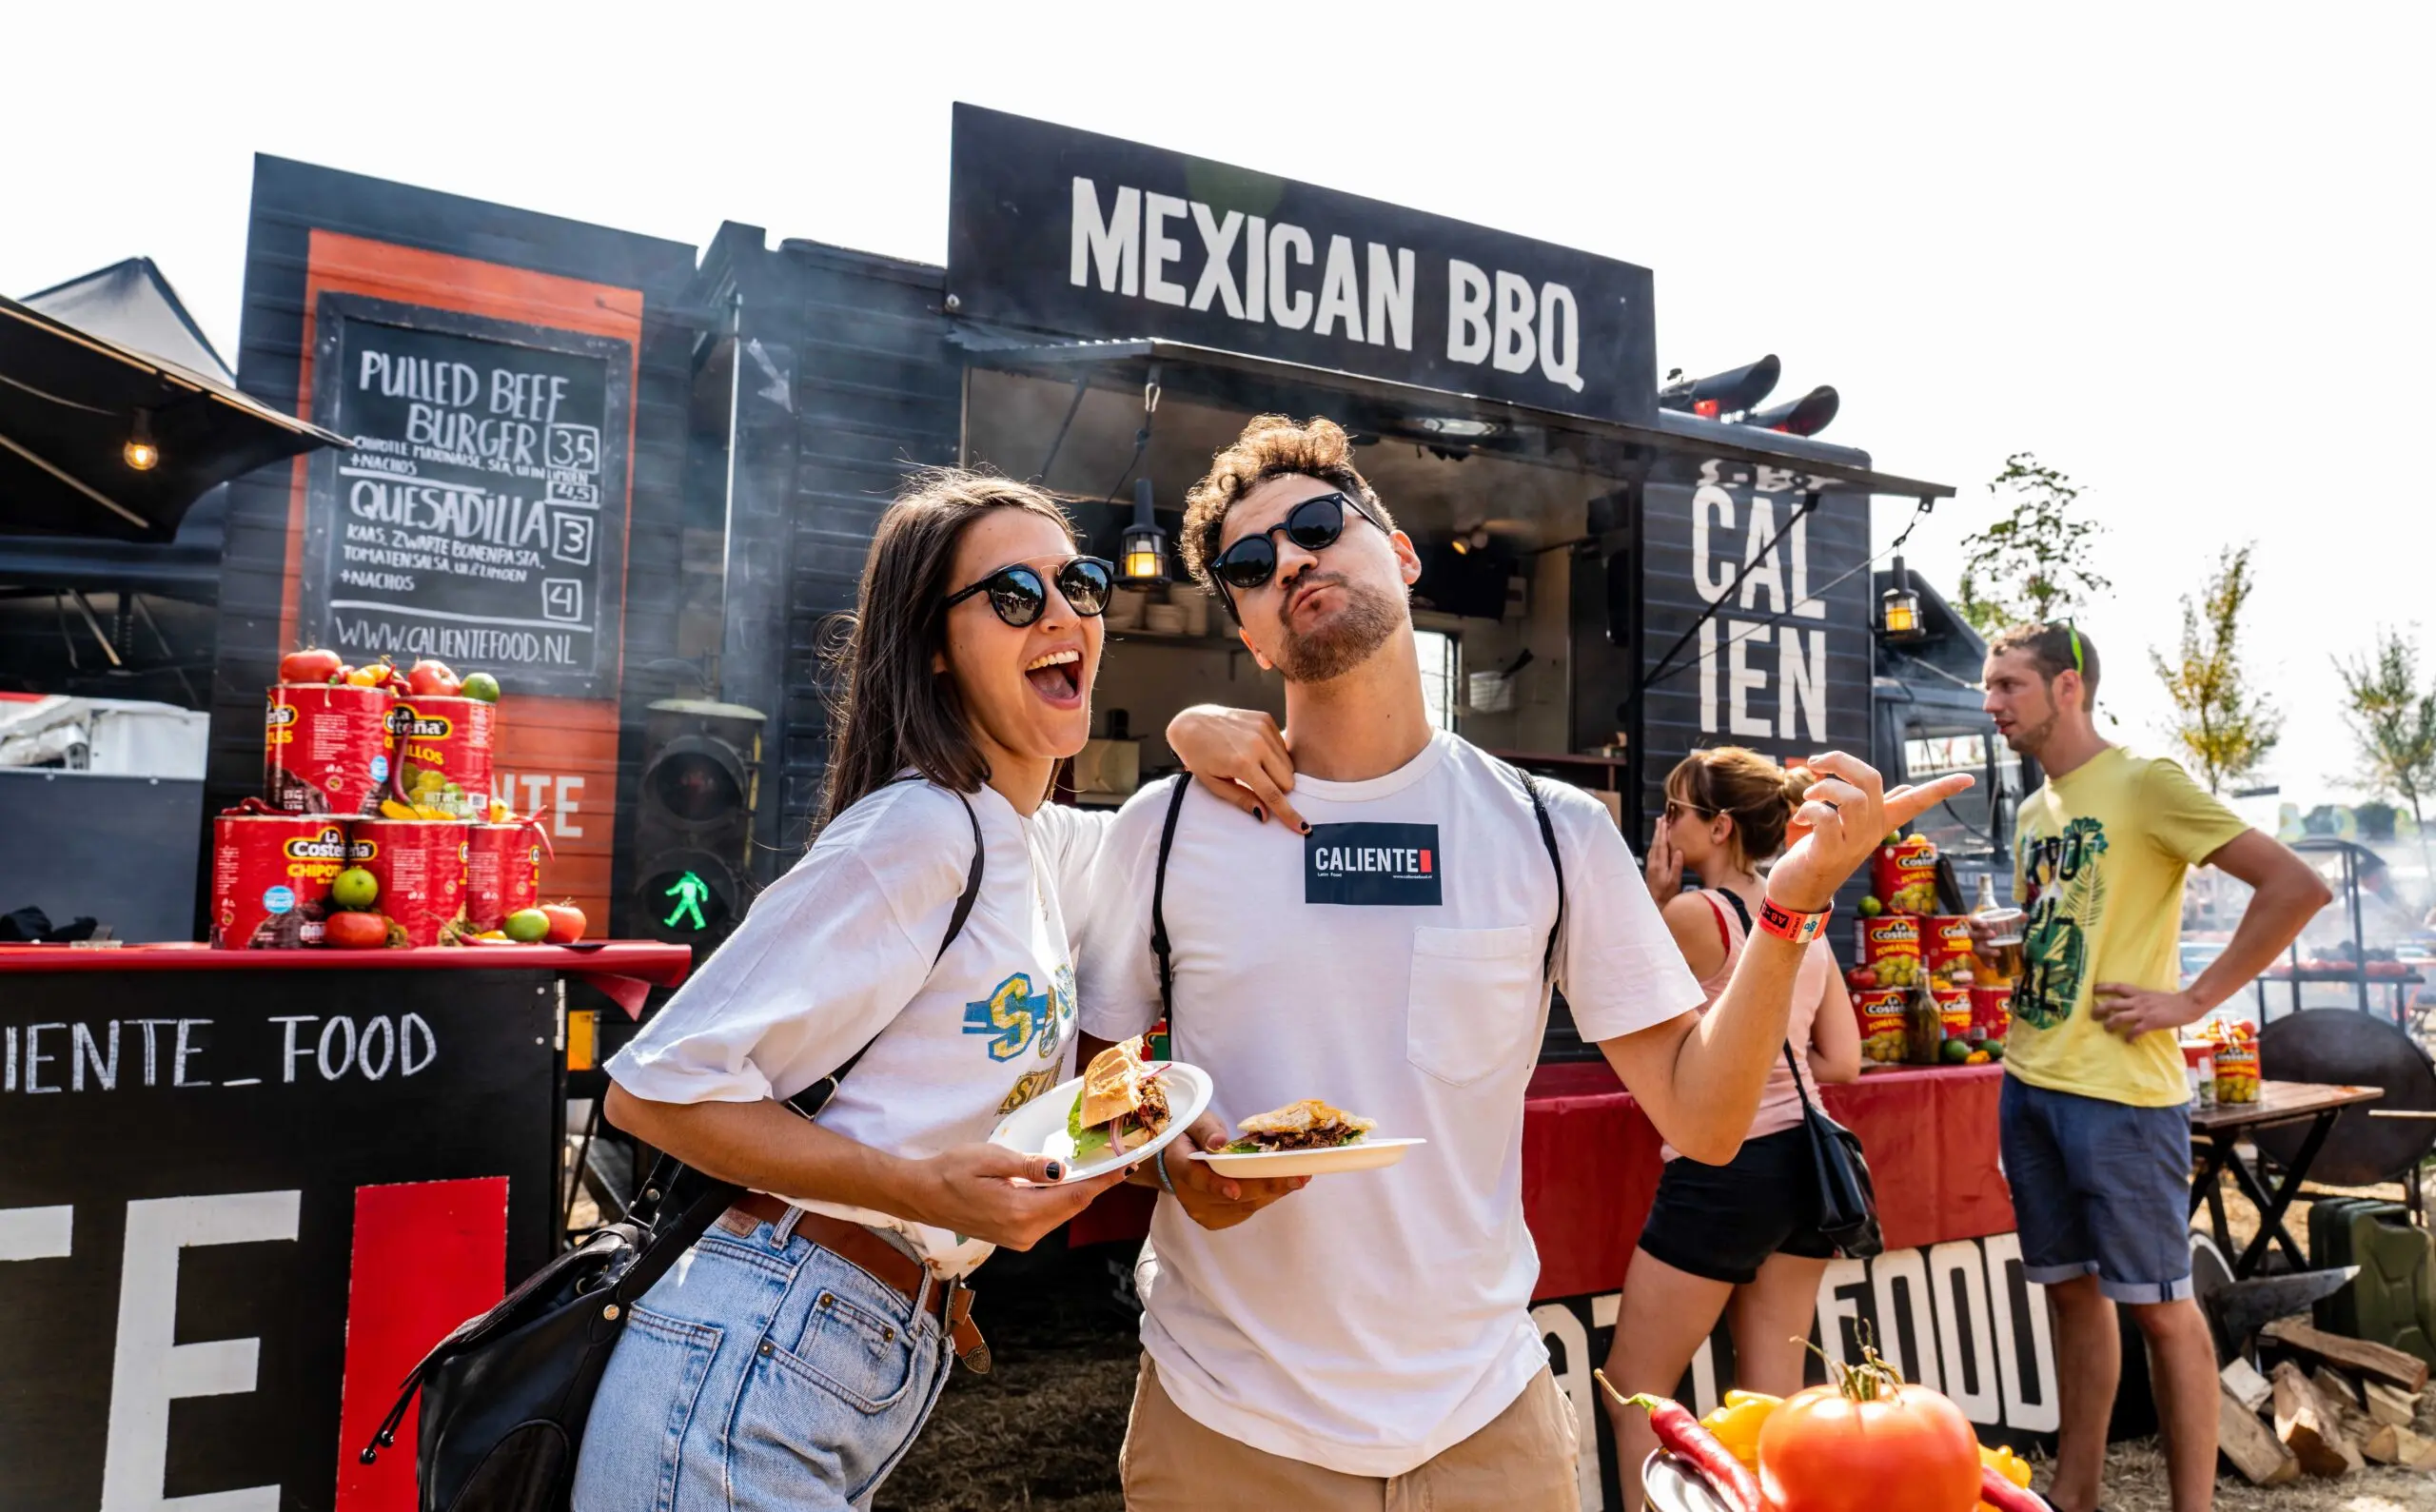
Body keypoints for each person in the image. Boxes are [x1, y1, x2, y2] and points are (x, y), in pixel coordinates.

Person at [1071, 416, 1969, 1510]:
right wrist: (1170, 1167)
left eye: (1318, 526)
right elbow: (1098, 1094)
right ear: (1252, 636)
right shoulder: (1161, 830)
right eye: (1250, 567)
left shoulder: (1552, 831)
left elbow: (1703, 1119)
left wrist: (1788, 912)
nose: (1292, 562)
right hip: (1226, 1429)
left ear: (1398, 553)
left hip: (1483, 1431)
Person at [571, 469, 1297, 1512]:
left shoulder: (1038, 841)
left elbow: (1162, 819)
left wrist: (1191, 725)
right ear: (932, 648)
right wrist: (918, 1192)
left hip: (849, 1349)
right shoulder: (916, 831)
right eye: (1013, 596)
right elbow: (651, 1091)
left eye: (1079, 585)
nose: (1061, 614)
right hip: (752, 1350)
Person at [1978, 622, 2328, 1512]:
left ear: (2069, 689)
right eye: (1990, 687)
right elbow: (2083, 925)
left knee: (2163, 1310)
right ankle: (2079, 1496)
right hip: (2031, 1082)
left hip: (2123, 1097)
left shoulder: (2145, 781)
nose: (1993, 705)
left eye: (2010, 685)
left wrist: (2192, 999)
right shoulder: (2032, 810)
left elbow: (2295, 886)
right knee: (2070, 1296)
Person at [1607, 748, 1861, 1512]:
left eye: (1676, 810)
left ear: (1719, 827)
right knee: (1769, 1409)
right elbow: (1842, 1059)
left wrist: (1650, 902)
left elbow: (1618, 1002)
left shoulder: (1695, 914)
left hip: (1725, 1164)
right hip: (1808, 1165)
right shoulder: (1804, 921)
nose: (1663, 823)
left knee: (1636, 1396)